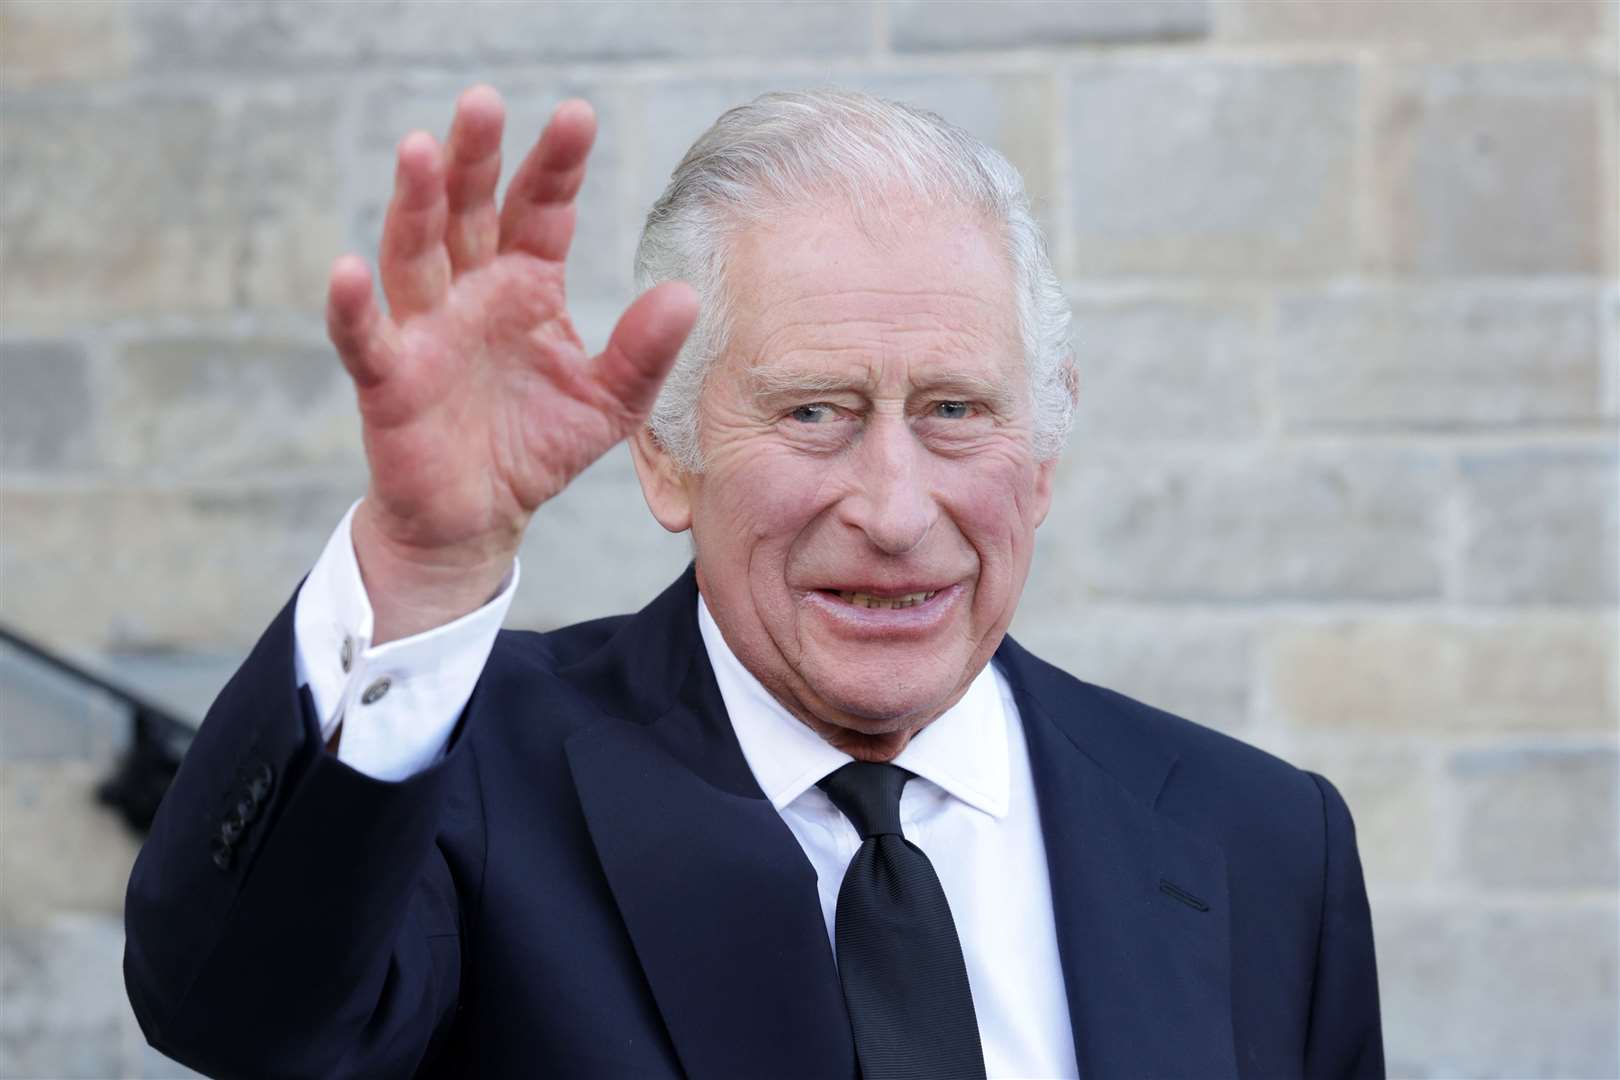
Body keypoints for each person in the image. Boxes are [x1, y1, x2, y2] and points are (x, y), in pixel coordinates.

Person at [124, 86, 1384, 1079]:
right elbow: (242, 1019)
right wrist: (421, 561)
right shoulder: (469, 778)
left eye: (955, 410)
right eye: (815, 412)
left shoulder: (1264, 842)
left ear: (1043, 453)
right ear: (666, 457)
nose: (893, 511)